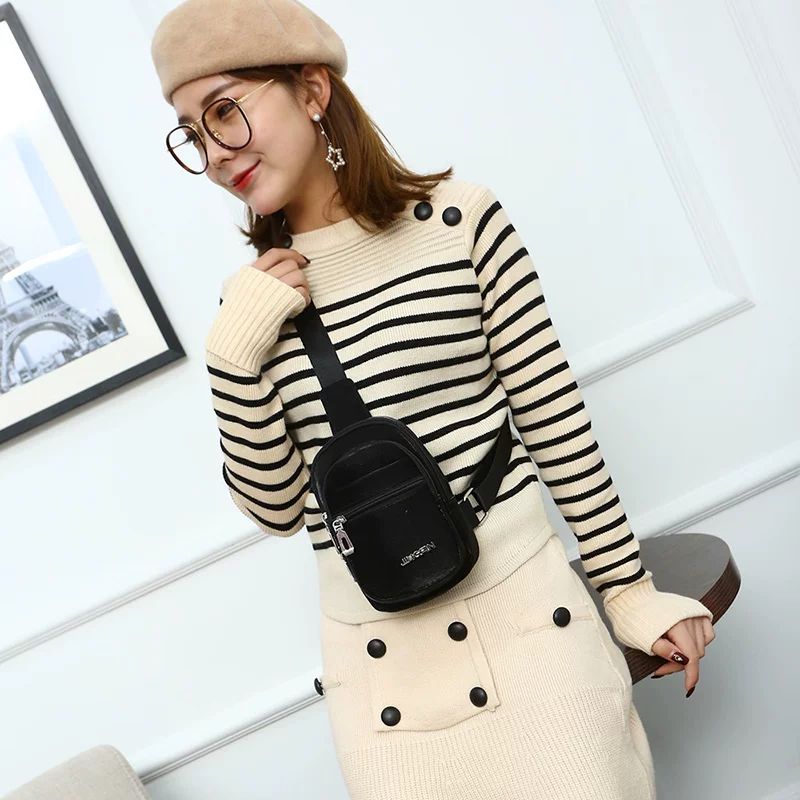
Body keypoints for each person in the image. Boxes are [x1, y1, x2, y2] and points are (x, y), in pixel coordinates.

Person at [150, 1, 716, 797]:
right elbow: (275, 507)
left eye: (224, 111)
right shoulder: (253, 303)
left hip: (534, 635)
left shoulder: (460, 222)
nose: (215, 153)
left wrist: (627, 592)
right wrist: (230, 359)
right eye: (192, 133)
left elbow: (553, 417)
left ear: (311, 90)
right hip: (386, 684)